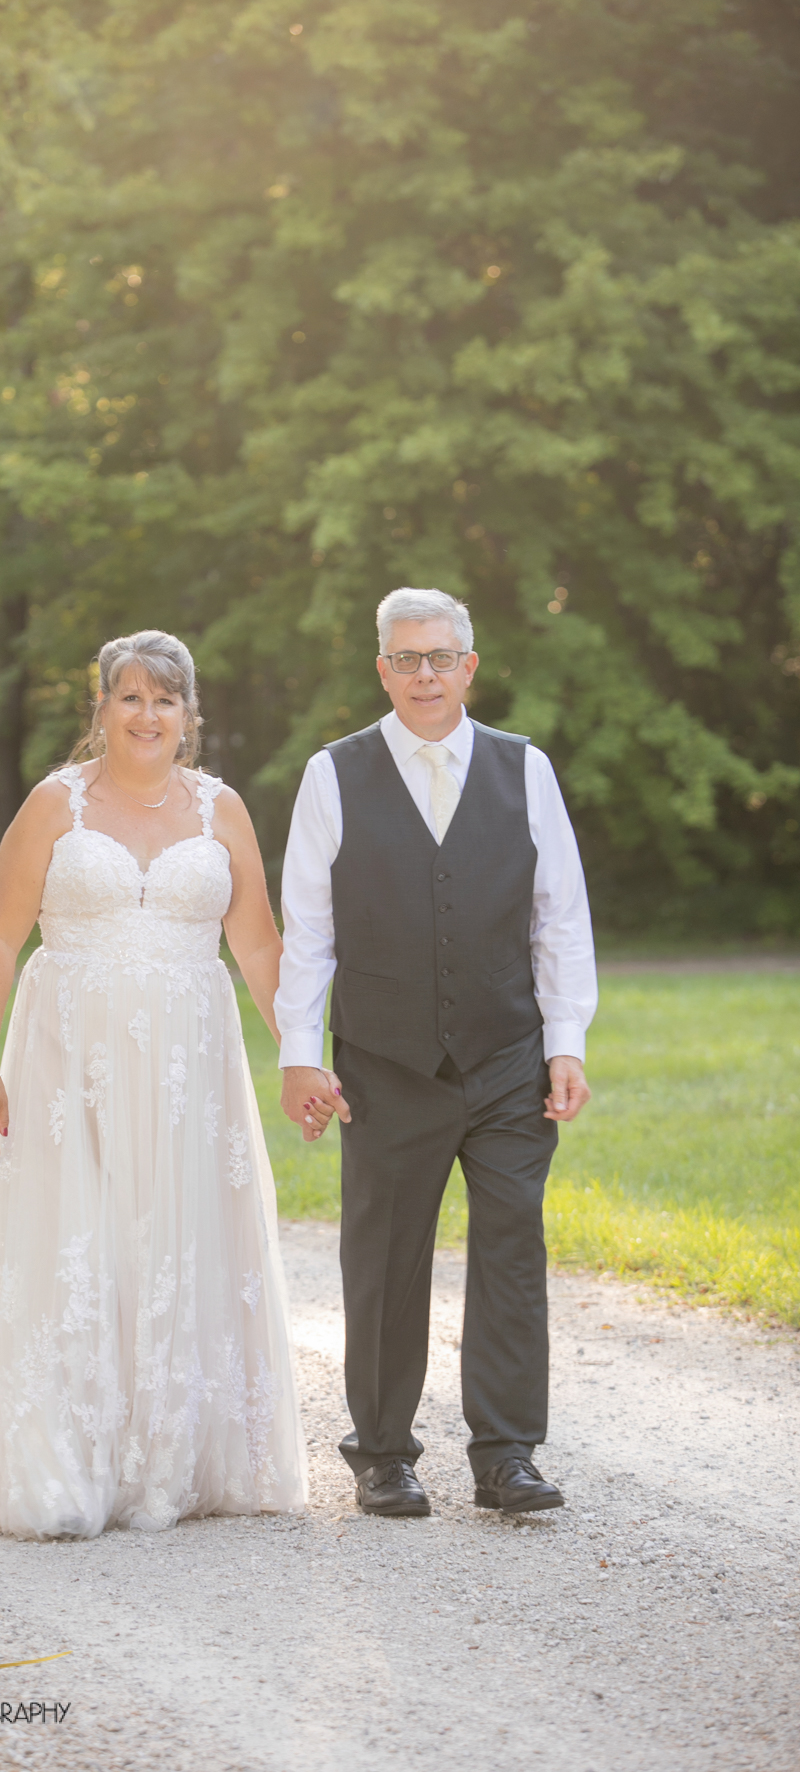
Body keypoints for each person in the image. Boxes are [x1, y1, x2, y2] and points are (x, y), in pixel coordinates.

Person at [0, 629, 306, 1539]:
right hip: (68, 1062)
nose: (147, 715)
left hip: (189, 1068)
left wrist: (302, 1052)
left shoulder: (222, 810)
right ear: (100, 708)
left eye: (164, 700)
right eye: (130, 697)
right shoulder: (53, 804)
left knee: (180, 1239)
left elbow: (259, 947)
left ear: (189, 714)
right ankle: (65, 1465)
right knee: (78, 1242)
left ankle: (177, 1460)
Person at [276, 587, 597, 1517]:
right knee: (383, 1258)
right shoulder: (333, 774)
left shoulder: (524, 768)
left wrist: (566, 1041)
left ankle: (507, 1454)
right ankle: (382, 1454)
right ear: (383, 670)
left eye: (441, 657)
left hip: (508, 1058)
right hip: (384, 1062)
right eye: (407, 659)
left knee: (512, 1246)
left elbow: (559, 916)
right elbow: (309, 930)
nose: (426, 675)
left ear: (469, 666)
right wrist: (301, 1052)